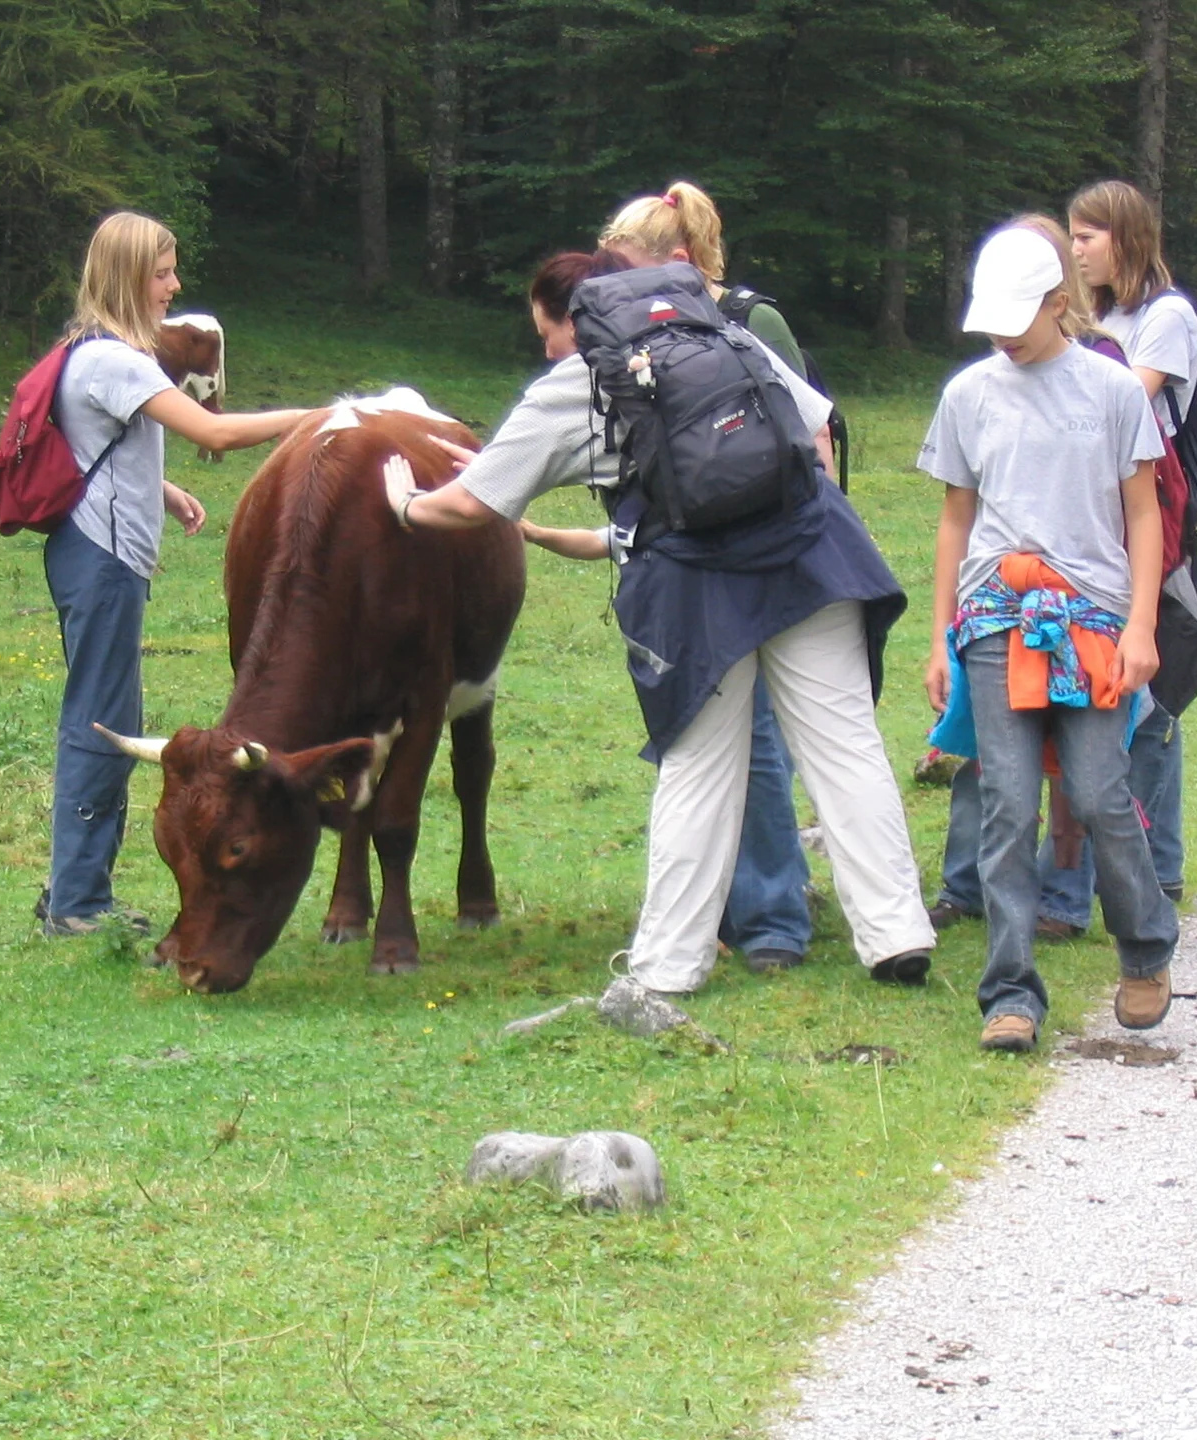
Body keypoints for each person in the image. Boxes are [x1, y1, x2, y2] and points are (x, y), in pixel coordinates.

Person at [385, 247, 936, 996]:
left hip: (701, 589)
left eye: (545, 329)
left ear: (574, 321)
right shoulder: (723, 335)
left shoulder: (575, 385)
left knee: (699, 768)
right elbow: (813, 429)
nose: (546, 346)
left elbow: (473, 504)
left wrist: (404, 503)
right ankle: (897, 936)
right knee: (846, 748)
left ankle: (669, 964)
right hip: (812, 550)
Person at [920, 221, 1179, 1052]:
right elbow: (955, 518)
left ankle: (1145, 947)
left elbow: (1143, 512)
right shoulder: (968, 394)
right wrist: (939, 639)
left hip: (1095, 618)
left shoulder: (1112, 393)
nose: (1001, 332)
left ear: (1058, 304)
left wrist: (1141, 626)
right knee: (1005, 803)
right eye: (989, 316)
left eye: (1016, 315)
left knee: (1102, 792)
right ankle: (1010, 994)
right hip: (996, 616)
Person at [38, 211, 309, 937]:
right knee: (103, 722)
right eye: (162, 273)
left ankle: (70, 886)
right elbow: (215, 432)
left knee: (99, 713)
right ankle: (77, 903)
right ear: (130, 277)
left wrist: (161, 489)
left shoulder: (87, 350)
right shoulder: (118, 361)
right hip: (104, 559)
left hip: (85, 549)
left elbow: (90, 441)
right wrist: (322, 416)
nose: (174, 286)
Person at [595, 180, 826, 975]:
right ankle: (715, 910)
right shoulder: (627, 328)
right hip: (678, 563)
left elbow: (807, 441)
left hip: (760, 559)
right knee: (689, 733)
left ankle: (773, 919)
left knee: (758, 734)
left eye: (625, 266)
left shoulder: (751, 321)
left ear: (678, 262)